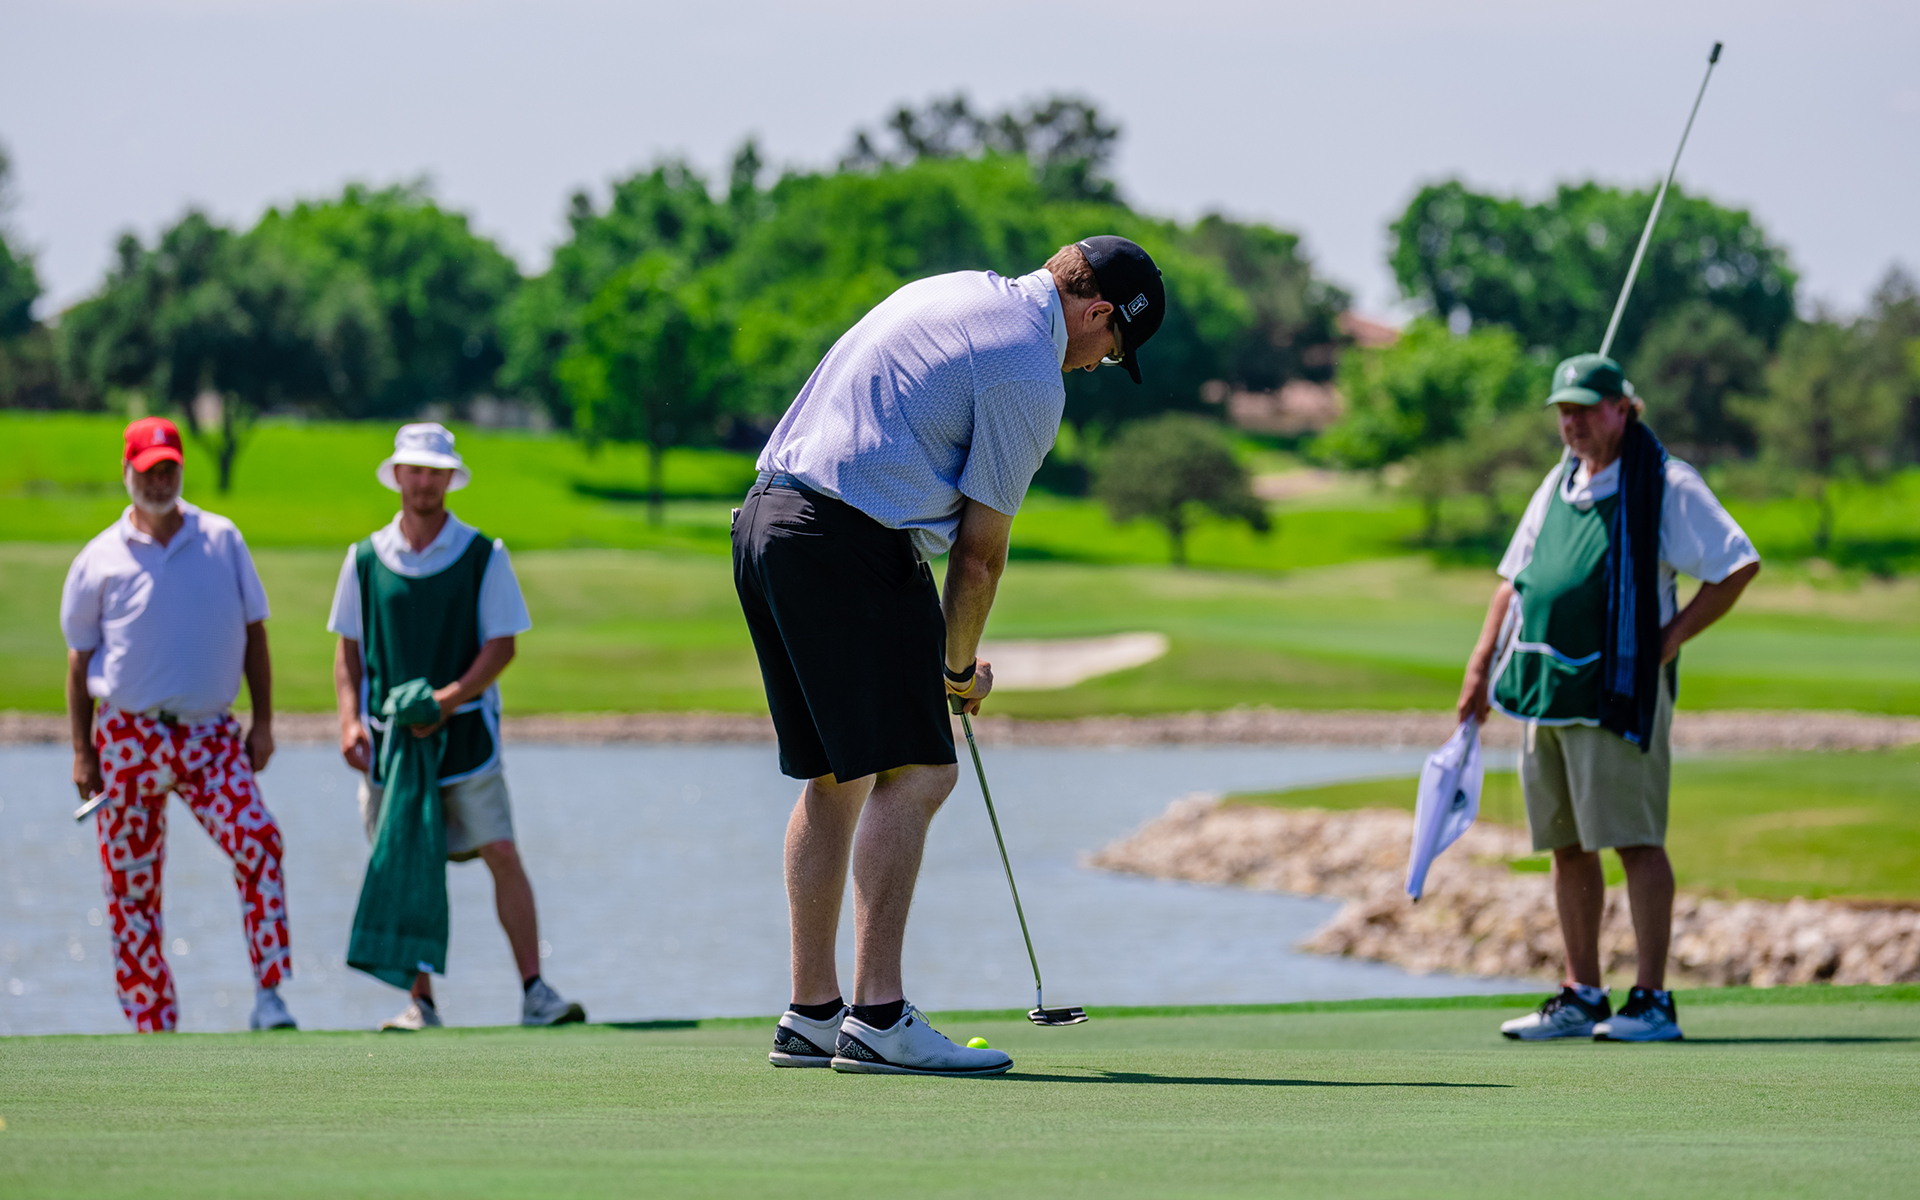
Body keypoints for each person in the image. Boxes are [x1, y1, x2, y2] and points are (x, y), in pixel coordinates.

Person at [736, 237, 1166, 1076]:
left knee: (835, 775)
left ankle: (812, 1014)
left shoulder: (958, 290)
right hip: (848, 542)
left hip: (766, 524)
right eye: (1112, 350)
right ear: (1096, 313)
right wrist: (958, 670)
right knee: (923, 773)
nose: (1096, 366)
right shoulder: (1030, 371)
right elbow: (978, 558)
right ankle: (878, 1018)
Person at [1457, 355, 1760, 1043]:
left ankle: (1651, 1001)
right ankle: (1583, 994)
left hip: (1618, 691)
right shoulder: (1559, 482)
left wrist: (1667, 642)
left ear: (1624, 408)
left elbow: (1736, 564)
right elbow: (1514, 579)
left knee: (1634, 840)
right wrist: (1479, 666)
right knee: (1567, 845)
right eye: (1564, 411)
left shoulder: (1667, 483)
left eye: (1587, 409)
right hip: (1546, 691)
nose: (1573, 423)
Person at [327, 423, 584, 1031]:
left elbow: (502, 645)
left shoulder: (482, 554)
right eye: (415, 470)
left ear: (450, 479)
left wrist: (447, 700)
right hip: (392, 745)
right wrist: (347, 721)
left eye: (435, 472)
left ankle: (535, 992)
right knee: (407, 859)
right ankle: (421, 1001)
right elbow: (349, 652)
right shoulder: (363, 558)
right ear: (398, 476)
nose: (425, 482)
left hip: (467, 738)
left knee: (500, 851)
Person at [60, 417, 295, 1033]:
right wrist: (83, 752)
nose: (159, 482)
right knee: (131, 883)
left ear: (181, 470)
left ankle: (270, 995)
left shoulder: (222, 539)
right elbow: (80, 661)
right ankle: (152, 1021)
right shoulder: (98, 559)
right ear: (127, 473)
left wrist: (263, 723)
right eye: (148, 471)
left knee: (259, 841)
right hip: (127, 736)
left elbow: (255, 634)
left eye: (169, 470)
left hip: (210, 735)